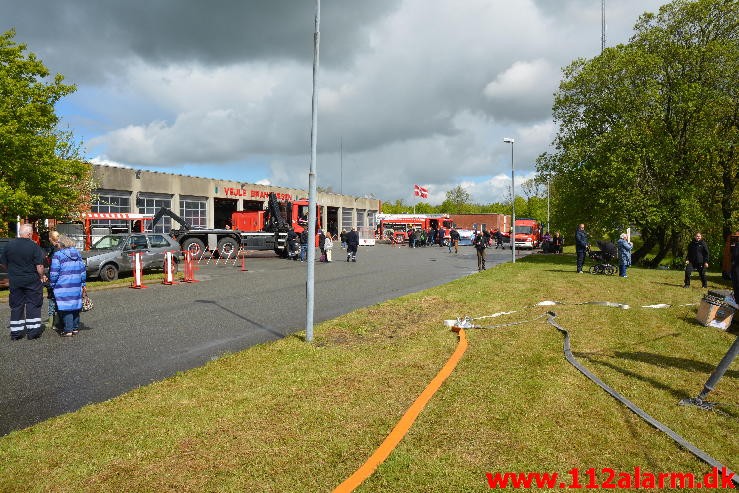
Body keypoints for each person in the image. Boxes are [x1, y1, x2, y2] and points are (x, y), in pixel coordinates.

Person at [0, 224, 47, 340]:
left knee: (16, 306)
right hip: (32, 280)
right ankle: (33, 332)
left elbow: (2, 263)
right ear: (30, 234)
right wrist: (41, 276)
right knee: (33, 304)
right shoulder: (34, 246)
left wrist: (11, 271)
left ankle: (16, 333)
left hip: (15, 281)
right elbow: (40, 266)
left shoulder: (9, 245)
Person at [49, 235, 86, 337]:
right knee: (75, 305)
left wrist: (52, 284)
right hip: (76, 283)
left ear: (61, 244)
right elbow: (82, 270)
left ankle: (68, 330)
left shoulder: (58, 255)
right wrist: (83, 283)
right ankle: (75, 328)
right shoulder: (77, 253)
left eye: (58, 243)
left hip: (63, 284)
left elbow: (54, 273)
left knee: (65, 307)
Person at [45, 231, 62, 328]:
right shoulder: (61, 248)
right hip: (61, 278)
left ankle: (52, 322)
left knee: (52, 299)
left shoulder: (54, 250)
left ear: (51, 239)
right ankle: (57, 321)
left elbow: (53, 266)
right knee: (58, 299)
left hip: (55, 277)